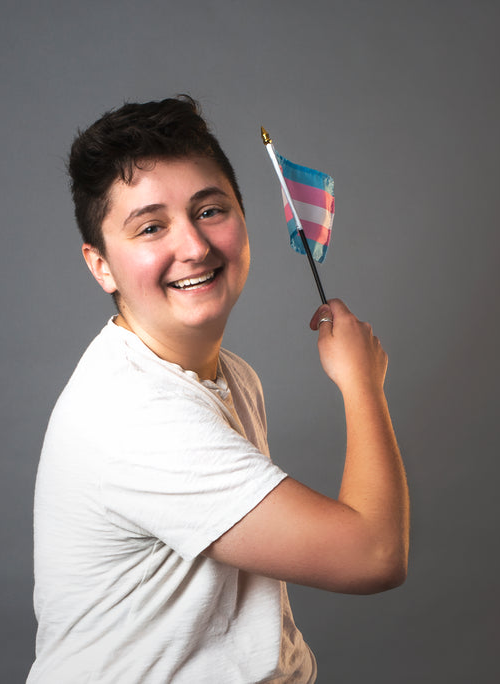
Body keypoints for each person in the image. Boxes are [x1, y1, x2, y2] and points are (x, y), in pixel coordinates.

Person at [27, 96, 409, 683]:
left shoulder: (231, 375)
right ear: (100, 265)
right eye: (151, 227)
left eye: (210, 211)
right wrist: (363, 384)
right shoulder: (135, 416)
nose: (195, 247)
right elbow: (373, 555)